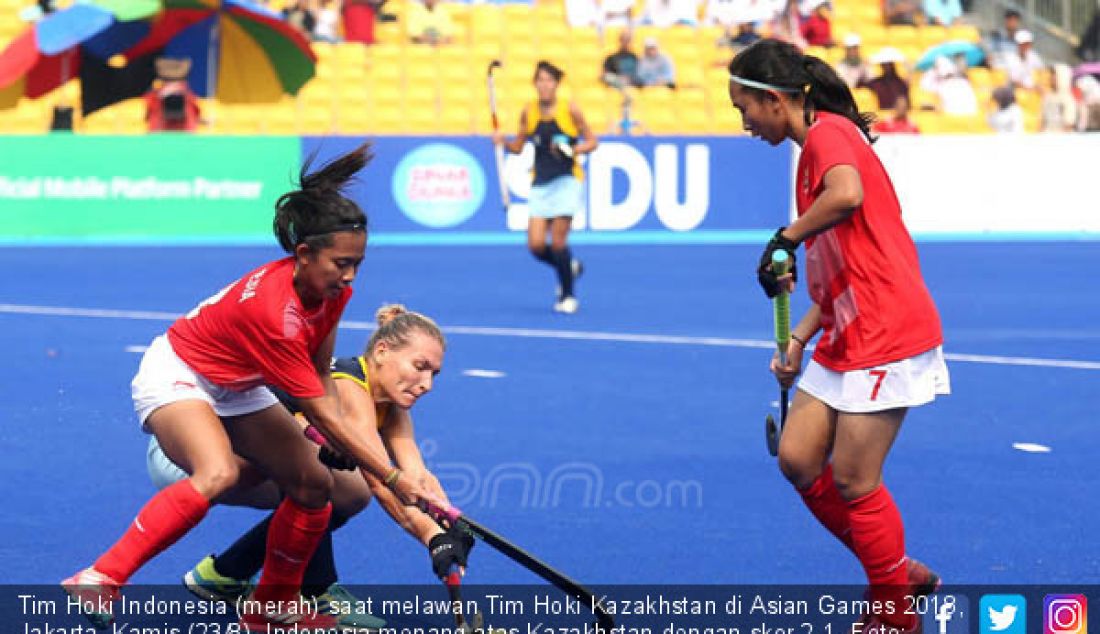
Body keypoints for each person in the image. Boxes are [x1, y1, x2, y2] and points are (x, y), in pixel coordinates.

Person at [61, 144, 434, 632]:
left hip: (240, 385)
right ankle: (100, 577)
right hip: (182, 371)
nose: (349, 276)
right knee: (215, 471)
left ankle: (270, 607)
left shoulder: (333, 293)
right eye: (340, 263)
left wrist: (342, 440)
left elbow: (320, 374)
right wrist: (389, 475)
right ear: (303, 254)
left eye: (357, 264)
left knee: (315, 484)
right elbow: (314, 407)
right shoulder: (275, 315)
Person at [727, 39, 950, 634]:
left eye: (744, 107)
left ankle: (893, 614)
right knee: (799, 459)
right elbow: (833, 283)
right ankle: (896, 570)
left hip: (888, 329)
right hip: (845, 331)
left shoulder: (829, 135)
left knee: (854, 479)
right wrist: (798, 339)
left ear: (775, 100)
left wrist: (786, 238)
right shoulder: (806, 161)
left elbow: (848, 195)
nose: (743, 122)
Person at [147, 305, 472, 631]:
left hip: (227, 459)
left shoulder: (391, 407)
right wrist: (432, 537)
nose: (427, 383)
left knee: (327, 482)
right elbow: (381, 481)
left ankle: (223, 575)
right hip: (189, 455)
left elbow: (415, 476)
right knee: (334, 483)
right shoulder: (346, 387)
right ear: (382, 352)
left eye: (434, 373)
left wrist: (445, 521)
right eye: (420, 366)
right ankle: (315, 590)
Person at [494, 61, 599, 314]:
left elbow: (592, 141)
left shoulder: (569, 109)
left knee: (559, 242)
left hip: (567, 180)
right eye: (540, 80)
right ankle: (569, 266)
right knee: (536, 245)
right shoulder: (529, 112)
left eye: (549, 80)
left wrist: (573, 149)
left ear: (556, 84)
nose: (544, 85)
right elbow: (518, 146)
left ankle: (567, 294)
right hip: (541, 182)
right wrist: (503, 142)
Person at [143, 57, 201, 133]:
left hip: (159, 132)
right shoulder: (187, 93)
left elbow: (148, 110)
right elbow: (197, 111)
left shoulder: (155, 93)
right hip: (185, 133)